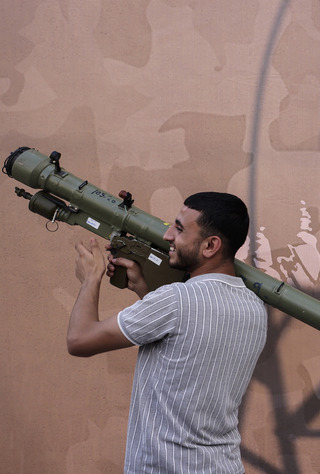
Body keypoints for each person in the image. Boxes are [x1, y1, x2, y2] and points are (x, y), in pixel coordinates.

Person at [66, 192, 267, 473]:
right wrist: (143, 291)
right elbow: (186, 340)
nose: (168, 235)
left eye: (180, 229)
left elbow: (79, 340)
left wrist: (90, 278)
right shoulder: (255, 307)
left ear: (211, 245)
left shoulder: (175, 300)